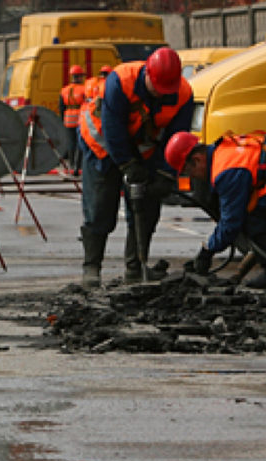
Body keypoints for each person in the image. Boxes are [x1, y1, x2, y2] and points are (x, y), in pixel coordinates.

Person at [78, 46, 194, 287]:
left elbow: (176, 138)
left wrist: (166, 173)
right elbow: (113, 129)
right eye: (158, 88)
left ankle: (136, 266)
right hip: (102, 146)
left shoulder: (183, 94)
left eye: (167, 90)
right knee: (101, 206)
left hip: (144, 148)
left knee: (147, 206)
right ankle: (91, 268)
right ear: (147, 75)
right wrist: (128, 164)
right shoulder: (121, 81)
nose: (162, 94)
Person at [166, 130, 266, 288]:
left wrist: (207, 251)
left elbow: (231, 222)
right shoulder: (222, 152)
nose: (192, 177)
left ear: (197, 159)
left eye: (188, 171)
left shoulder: (225, 170)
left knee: (253, 217)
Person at [58, 65, 86, 175]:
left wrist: (62, 120)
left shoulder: (64, 90)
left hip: (68, 120)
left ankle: (71, 165)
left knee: (71, 144)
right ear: (79, 77)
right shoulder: (83, 89)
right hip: (79, 119)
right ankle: (77, 167)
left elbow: (61, 107)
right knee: (80, 144)